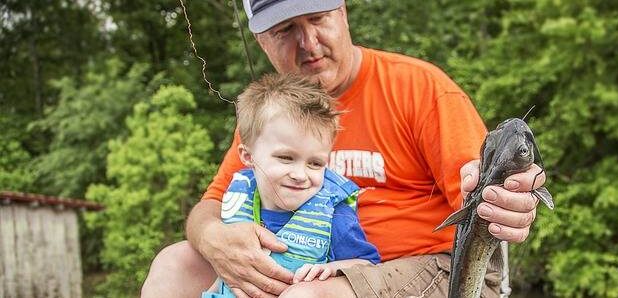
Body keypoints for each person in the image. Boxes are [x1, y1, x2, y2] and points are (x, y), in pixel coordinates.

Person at [141, 1, 546, 297]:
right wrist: (213, 237)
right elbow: (211, 204)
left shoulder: (420, 88)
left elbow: (483, 187)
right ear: (262, 41)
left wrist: (508, 201)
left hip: (440, 268)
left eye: (317, 18)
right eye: (285, 30)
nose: (309, 42)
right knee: (174, 265)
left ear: (343, 13)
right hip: (310, 266)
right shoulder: (274, 114)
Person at [200, 73, 380, 298]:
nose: (299, 174)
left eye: (315, 163)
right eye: (286, 158)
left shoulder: (334, 215)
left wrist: (331, 269)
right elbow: (224, 273)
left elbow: (367, 264)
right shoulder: (238, 202)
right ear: (248, 156)